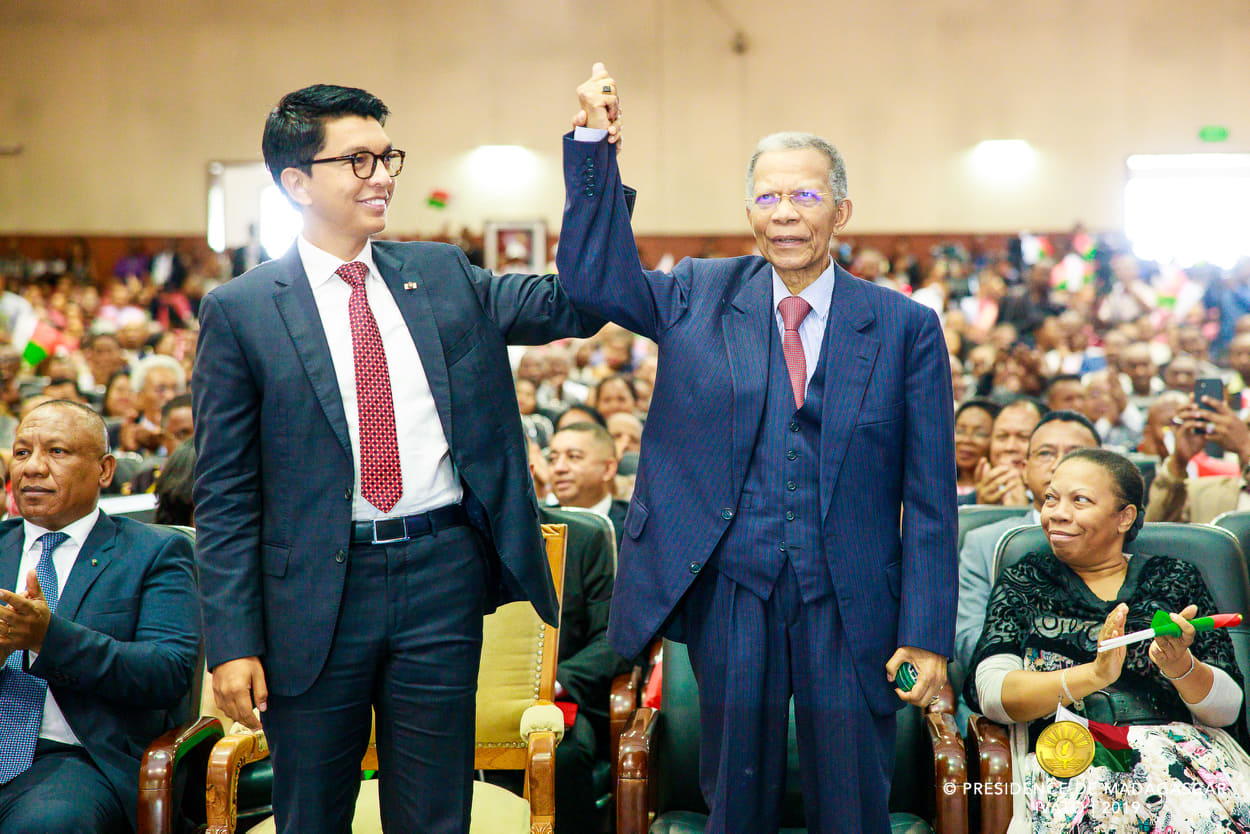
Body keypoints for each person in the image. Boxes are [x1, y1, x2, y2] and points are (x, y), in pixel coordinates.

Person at [191, 80, 614, 834]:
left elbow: (573, 303)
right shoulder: (244, 310)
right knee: (311, 813)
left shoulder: (442, 274)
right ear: (295, 182)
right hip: (314, 594)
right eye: (358, 160)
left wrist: (590, 160)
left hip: (439, 574)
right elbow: (225, 494)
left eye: (388, 157)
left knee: (434, 814)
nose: (382, 175)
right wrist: (231, 641)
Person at [556, 66, 956, 832]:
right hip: (733, 588)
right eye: (768, 197)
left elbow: (932, 497)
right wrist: (593, 149)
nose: (785, 214)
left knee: (854, 806)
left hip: (854, 601)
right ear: (748, 211)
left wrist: (926, 633)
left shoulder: (904, 328)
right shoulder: (697, 292)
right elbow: (594, 281)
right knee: (734, 802)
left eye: (805, 196)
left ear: (841, 210)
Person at [966, 448, 1250, 831]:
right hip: (1071, 758)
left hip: (1182, 758)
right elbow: (993, 694)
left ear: (1125, 516)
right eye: (1052, 498)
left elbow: (1228, 710)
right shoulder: (1026, 581)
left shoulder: (1175, 577)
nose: (1057, 513)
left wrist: (1182, 667)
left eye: (1079, 500)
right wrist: (1094, 675)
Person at [0, 400, 199, 833]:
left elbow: (167, 673)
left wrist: (47, 638)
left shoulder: (153, 552)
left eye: (56, 452)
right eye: (21, 452)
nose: (32, 468)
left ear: (105, 470)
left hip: (82, 760)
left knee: (49, 825)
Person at [954, 410, 1101, 677]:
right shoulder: (984, 542)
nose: (1059, 464)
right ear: (1024, 468)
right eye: (1045, 453)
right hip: (1009, 695)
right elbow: (967, 640)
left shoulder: (1119, 536)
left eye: (1075, 454)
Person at [1145, 392, 1250, 523]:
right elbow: (1155, 532)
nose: (1245, 436)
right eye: (1247, 428)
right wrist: (1178, 463)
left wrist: (1246, 450)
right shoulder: (1202, 492)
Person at [547, 422, 628, 550]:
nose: (559, 468)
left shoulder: (633, 526)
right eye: (552, 459)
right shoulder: (535, 524)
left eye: (573, 456)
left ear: (608, 469)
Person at [972, 398, 1041, 506]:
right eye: (1002, 436)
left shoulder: (1055, 503)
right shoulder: (958, 505)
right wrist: (981, 508)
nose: (1010, 447)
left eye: (1023, 437)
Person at [954, 398, 998, 504]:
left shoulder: (1000, 490)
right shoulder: (933, 485)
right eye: (960, 431)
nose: (966, 440)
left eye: (980, 434)